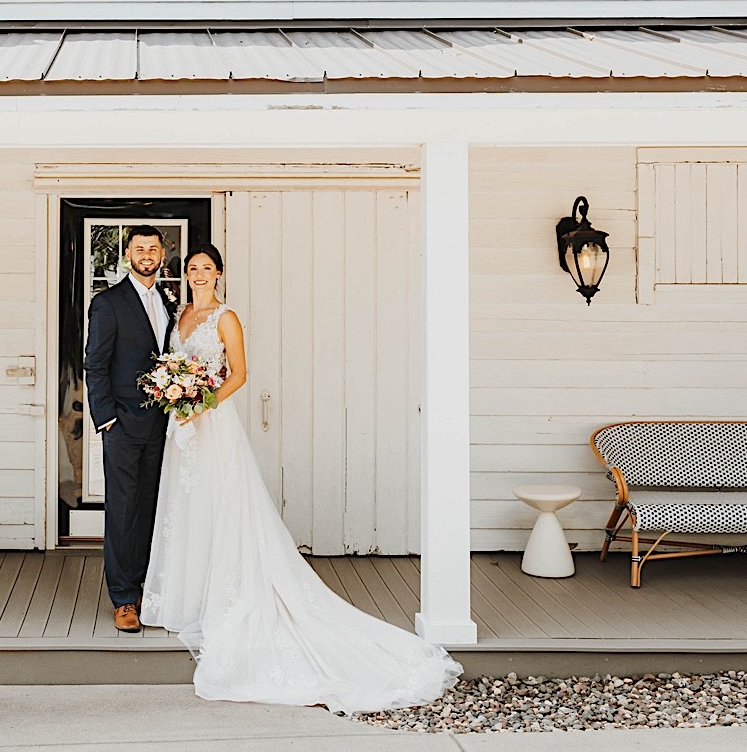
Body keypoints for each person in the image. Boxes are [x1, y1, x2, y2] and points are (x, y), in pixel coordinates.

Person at [139, 243, 462, 713]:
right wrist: (175, 396)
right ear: (185, 274)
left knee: (220, 503)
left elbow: (240, 374)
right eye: (193, 268)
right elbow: (173, 365)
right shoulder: (181, 314)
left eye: (207, 268)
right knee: (186, 506)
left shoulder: (225, 318)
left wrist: (200, 403)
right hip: (182, 428)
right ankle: (187, 597)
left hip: (212, 424)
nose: (199, 274)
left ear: (220, 273)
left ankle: (228, 596)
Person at [82, 225, 178, 632]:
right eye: (139, 248)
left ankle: (144, 587)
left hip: (162, 425)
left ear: (161, 255)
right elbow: (95, 364)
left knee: (150, 507)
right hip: (121, 423)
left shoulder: (168, 301)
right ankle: (123, 598)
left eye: (153, 248)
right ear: (127, 255)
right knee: (122, 510)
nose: (147, 254)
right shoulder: (108, 303)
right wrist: (106, 420)